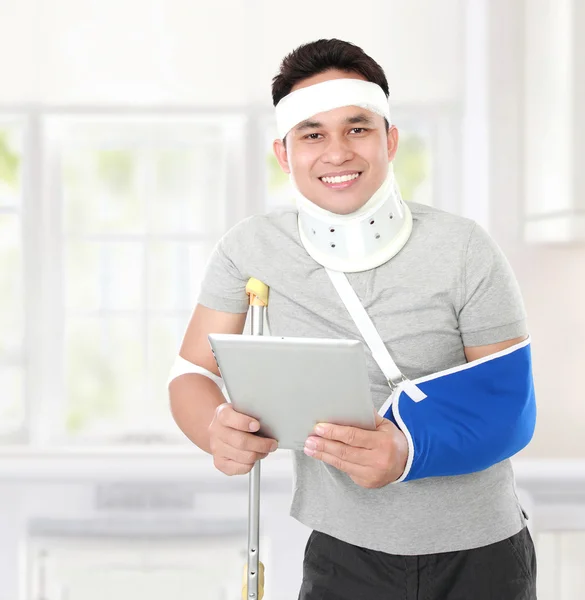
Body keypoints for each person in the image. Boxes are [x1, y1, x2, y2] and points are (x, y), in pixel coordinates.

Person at [168, 38, 537, 599]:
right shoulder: (250, 250)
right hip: (345, 557)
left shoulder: (464, 248)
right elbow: (190, 372)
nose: (337, 151)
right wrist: (213, 428)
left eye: (357, 128)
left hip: (482, 554)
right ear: (284, 153)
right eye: (312, 133)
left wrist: (407, 451)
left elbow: (509, 409)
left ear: (389, 140)